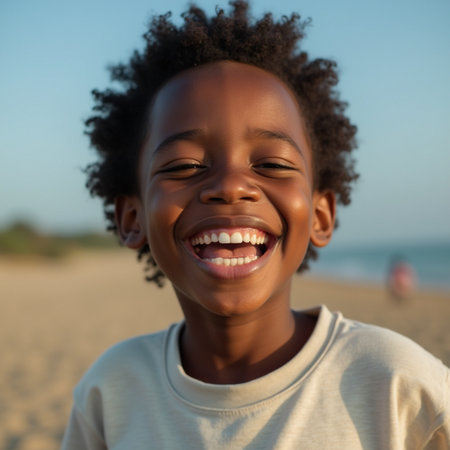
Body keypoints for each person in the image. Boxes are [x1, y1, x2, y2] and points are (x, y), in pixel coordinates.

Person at [62, 2, 450, 448]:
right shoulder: (109, 392)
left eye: (270, 163)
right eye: (184, 165)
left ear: (321, 215)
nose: (230, 186)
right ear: (132, 218)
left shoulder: (402, 386)